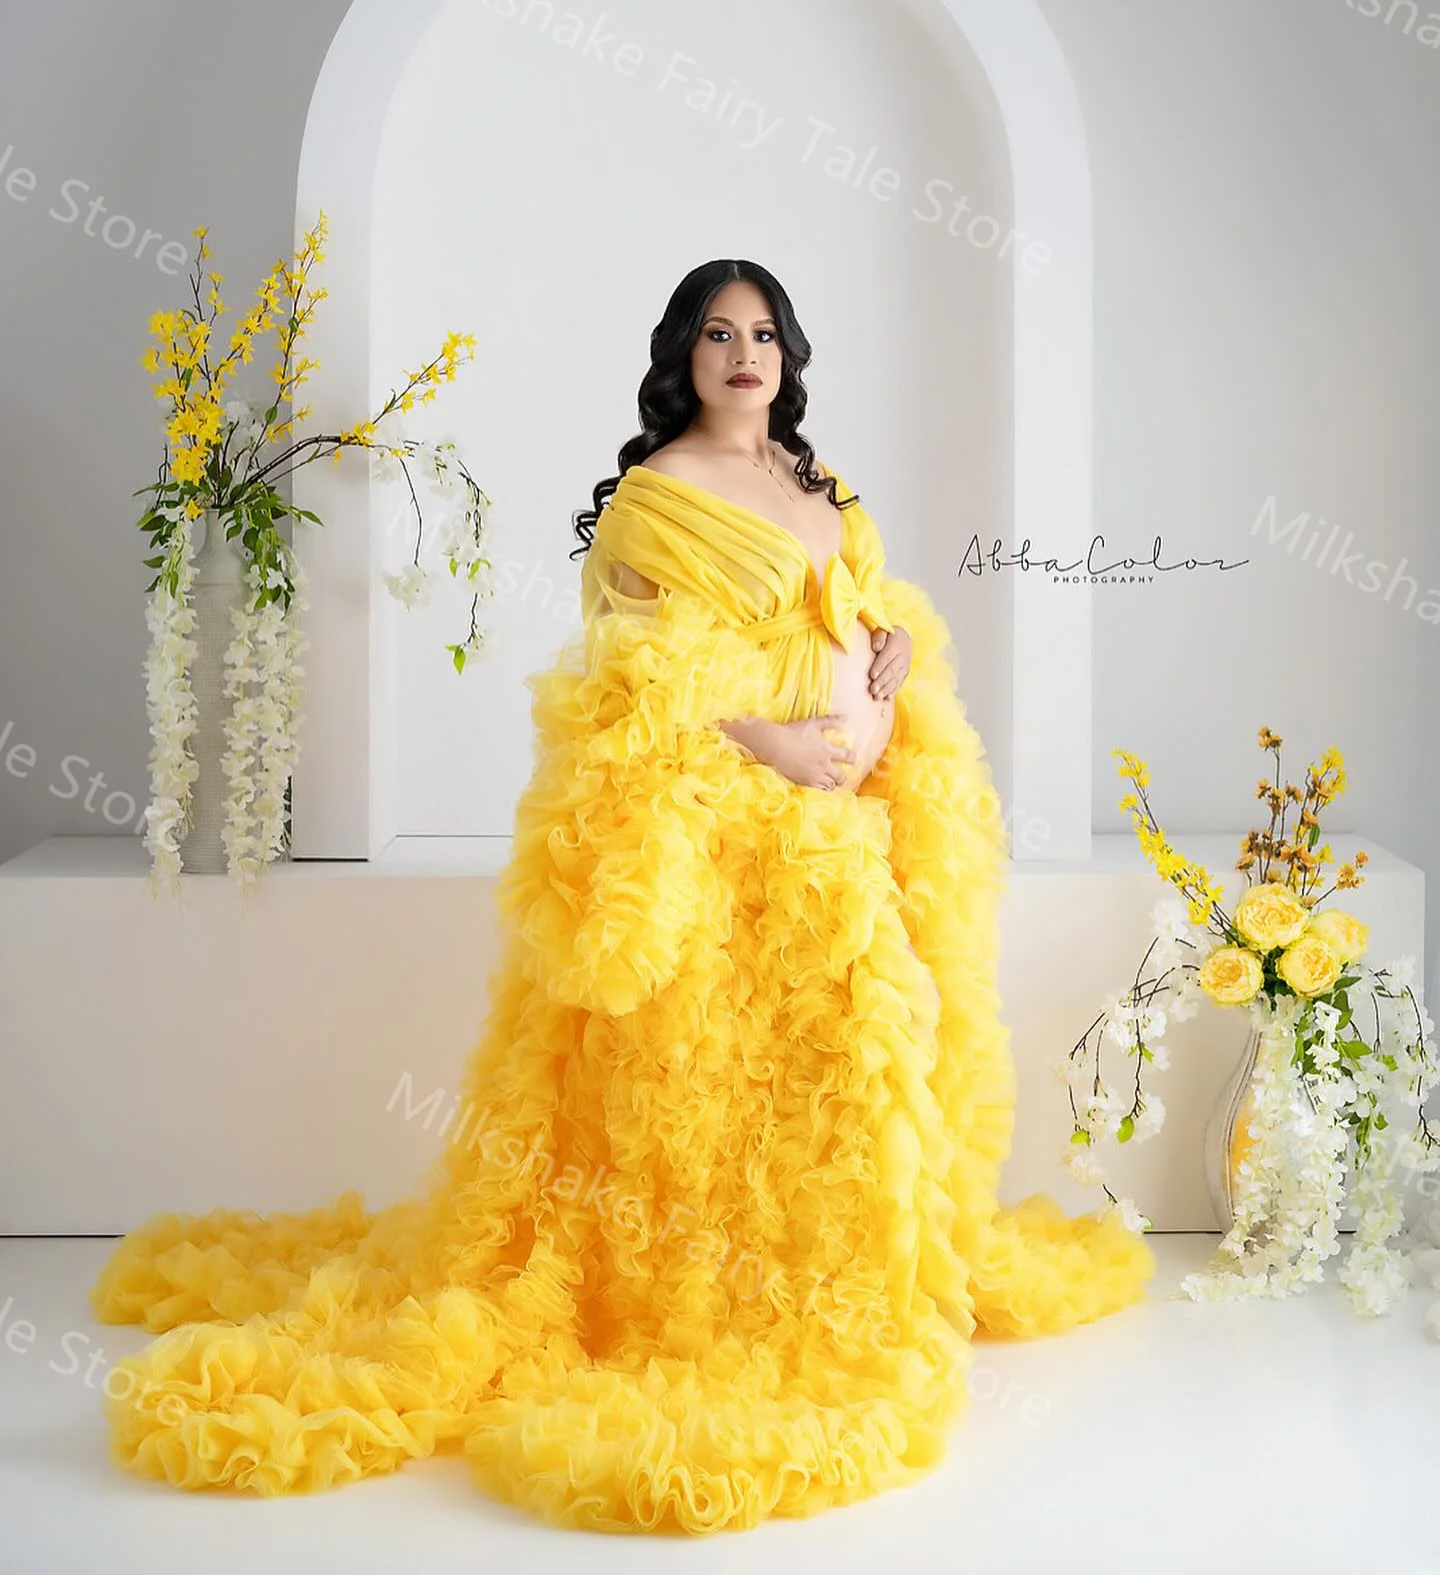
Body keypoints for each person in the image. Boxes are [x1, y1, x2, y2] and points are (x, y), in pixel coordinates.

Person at [90, 258, 1155, 1533]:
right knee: (733, 1074)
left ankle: (851, 1276)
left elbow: (861, 608)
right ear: (683, 356)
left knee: (860, 1063)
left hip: (847, 819)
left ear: (789, 355)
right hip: (734, 824)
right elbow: (644, 681)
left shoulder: (818, 485)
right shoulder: (661, 497)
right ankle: (708, 1294)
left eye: (763, 333)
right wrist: (778, 746)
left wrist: (890, 656)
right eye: (718, 333)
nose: (744, 354)